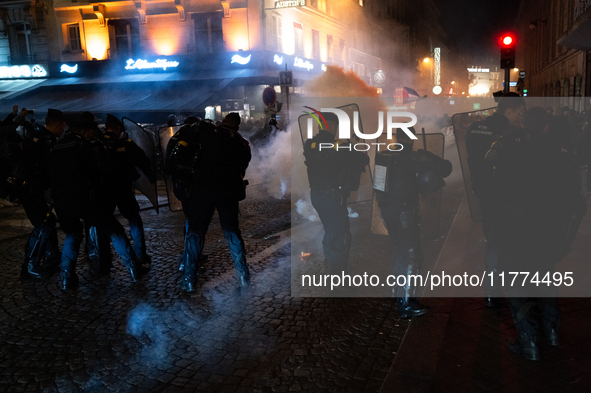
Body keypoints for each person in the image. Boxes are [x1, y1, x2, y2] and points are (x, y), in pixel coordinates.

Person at [485, 107, 586, 360]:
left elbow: (491, 186)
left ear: (522, 123)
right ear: (545, 127)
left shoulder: (507, 150)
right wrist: (566, 237)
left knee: (518, 282)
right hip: (548, 230)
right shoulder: (560, 156)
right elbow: (577, 203)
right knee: (546, 279)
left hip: (515, 227)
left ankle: (528, 341)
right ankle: (551, 331)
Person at [49, 118, 147, 289]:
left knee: (72, 235)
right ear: (85, 131)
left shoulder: (56, 146)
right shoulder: (87, 146)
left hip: (60, 200)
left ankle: (66, 278)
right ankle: (134, 268)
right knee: (114, 230)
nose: (94, 133)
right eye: (92, 130)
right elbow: (105, 168)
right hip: (84, 198)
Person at [375, 128, 452, 317]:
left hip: (386, 210)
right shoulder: (413, 156)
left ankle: (397, 293)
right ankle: (407, 303)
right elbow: (446, 168)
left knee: (400, 250)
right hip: (403, 210)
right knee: (412, 254)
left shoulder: (384, 155)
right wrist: (425, 158)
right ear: (412, 139)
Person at [465, 92, 525, 307]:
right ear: (508, 111)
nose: (520, 117)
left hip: (484, 194)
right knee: (504, 242)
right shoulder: (508, 132)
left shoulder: (474, 129)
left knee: (492, 239)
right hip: (505, 196)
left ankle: (491, 291)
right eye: (519, 112)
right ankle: (505, 290)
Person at [179, 113, 251, 292]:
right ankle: (243, 275)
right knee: (231, 232)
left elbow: (186, 144)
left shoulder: (207, 132)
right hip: (228, 192)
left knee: (196, 232)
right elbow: (242, 168)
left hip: (203, 189)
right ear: (237, 127)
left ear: (222, 122)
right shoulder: (242, 144)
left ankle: (188, 279)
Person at [303, 112, 369, 278]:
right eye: (336, 127)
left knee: (330, 231)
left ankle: (330, 263)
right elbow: (363, 160)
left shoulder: (309, 144)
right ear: (332, 126)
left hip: (317, 196)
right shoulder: (339, 145)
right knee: (341, 235)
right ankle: (338, 277)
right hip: (332, 198)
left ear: (319, 126)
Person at [13, 108, 65, 279]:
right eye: (63, 126)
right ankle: (30, 265)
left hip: (29, 188)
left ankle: (51, 257)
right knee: (43, 225)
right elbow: (50, 169)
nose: (63, 130)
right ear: (58, 125)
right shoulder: (48, 141)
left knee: (47, 222)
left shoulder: (37, 137)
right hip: (32, 189)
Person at [99, 114, 155, 266]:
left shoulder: (97, 145)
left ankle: (103, 259)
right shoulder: (126, 144)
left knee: (104, 224)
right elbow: (144, 160)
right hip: (123, 189)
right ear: (118, 129)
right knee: (134, 221)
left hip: (103, 191)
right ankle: (141, 255)